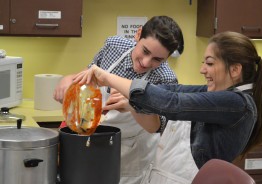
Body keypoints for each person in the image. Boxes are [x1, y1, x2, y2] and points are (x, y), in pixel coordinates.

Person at [73, 31, 262, 184]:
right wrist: (131, 102)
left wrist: (107, 77)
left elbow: (172, 103)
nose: (202, 69)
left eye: (210, 63)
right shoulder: (215, 94)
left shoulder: (237, 104)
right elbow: (172, 92)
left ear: (236, 69)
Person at [53, 15, 184, 184]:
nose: (145, 62)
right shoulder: (114, 46)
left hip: (130, 158)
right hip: (95, 143)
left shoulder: (166, 79)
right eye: (145, 51)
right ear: (138, 35)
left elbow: (157, 126)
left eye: (157, 60)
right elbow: (88, 76)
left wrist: (133, 106)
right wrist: (68, 80)